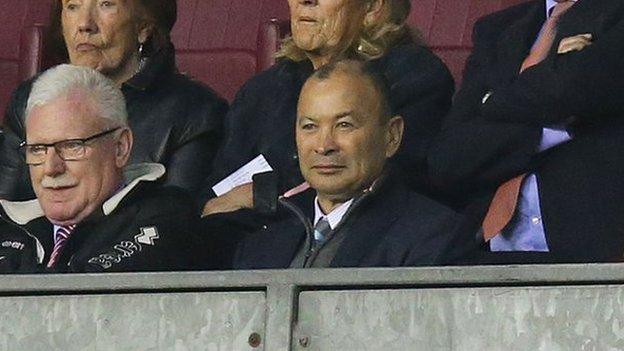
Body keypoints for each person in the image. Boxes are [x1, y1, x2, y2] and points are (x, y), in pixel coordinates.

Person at [201, 0, 454, 216]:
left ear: (372, 7)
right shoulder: (263, 89)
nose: (305, 0)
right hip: (248, 241)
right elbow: (217, 191)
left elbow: (377, 180)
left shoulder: (412, 76)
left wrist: (264, 193)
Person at [428, 0, 624, 263]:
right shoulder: (496, 29)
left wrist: (492, 101)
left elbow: (575, 89)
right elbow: (448, 159)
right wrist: (551, 123)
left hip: (598, 250)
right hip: (488, 253)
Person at [233, 60, 476, 269]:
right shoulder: (259, 247)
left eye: (344, 125)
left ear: (391, 136)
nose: (323, 145)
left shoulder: (434, 237)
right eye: (309, 127)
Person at [0, 0, 227, 202]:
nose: (85, 24)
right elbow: (5, 208)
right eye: (72, 6)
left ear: (144, 28)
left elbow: (176, 223)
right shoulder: (31, 98)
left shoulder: (196, 112)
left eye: (106, 4)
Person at [0, 65, 205, 273]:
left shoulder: (166, 220)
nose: (51, 168)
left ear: (120, 148)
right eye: (37, 149)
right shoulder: (8, 226)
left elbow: (79, 299)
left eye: (72, 146)